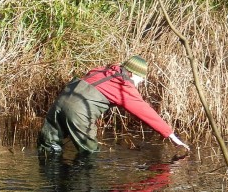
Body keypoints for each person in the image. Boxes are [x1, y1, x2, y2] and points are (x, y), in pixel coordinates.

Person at [38, 56, 191, 154]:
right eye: (141, 78)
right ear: (132, 74)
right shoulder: (123, 86)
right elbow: (146, 112)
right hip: (79, 113)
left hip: (59, 103)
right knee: (89, 154)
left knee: (48, 148)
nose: (141, 82)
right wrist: (171, 135)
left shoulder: (101, 70)